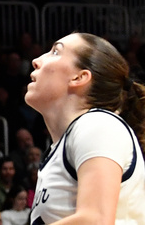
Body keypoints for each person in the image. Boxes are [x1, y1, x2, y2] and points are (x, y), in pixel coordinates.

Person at [26, 32, 145, 224]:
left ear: (79, 77)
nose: (36, 60)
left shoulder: (98, 124)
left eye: (55, 52)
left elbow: (96, 220)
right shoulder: (66, 142)